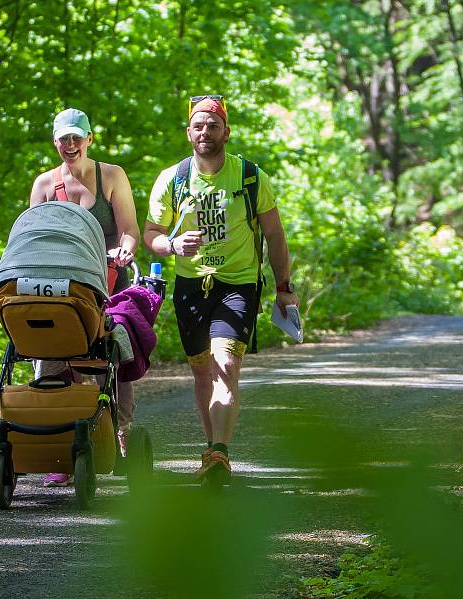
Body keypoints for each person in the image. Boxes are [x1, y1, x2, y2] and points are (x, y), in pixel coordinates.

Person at [143, 95, 299, 486]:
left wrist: (284, 287)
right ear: (188, 133)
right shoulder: (173, 179)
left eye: (213, 125)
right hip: (191, 287)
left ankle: (221, 453)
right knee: (201, 373)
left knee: (226, 366)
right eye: (198, 126)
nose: (205, 132)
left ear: (226, 131)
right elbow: (151, 235)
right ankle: (212, 447)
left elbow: (275, 235)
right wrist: (173, 246)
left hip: (238, 285)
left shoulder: (249, 176)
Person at [29, 108, 140, 487]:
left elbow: (129, 231)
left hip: (108, 282)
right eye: (64, 139)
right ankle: (60, 442)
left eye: (78, 137)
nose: (71, 145)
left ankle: (119, 431)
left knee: (115, 348)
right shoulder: (44, 185)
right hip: (60, 287)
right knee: (51, 347)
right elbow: (33, 239)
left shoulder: (111, 176)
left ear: (90, 139)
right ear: (55, 141)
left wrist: (125, 249)